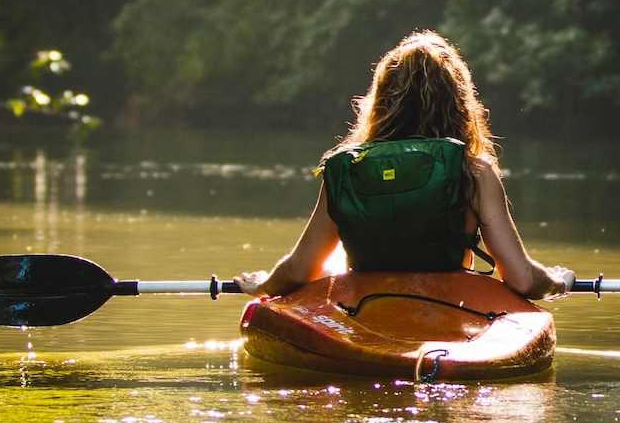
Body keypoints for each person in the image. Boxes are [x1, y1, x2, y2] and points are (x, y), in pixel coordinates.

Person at [235, 31, 572, 299]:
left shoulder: (348, 169)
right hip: (449, 309)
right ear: (459, 102)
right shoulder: (474, 173)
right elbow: (523, 280)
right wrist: (556, 280)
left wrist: (263, 285)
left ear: (381, 100)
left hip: (364, 310)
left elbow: (299, 270)